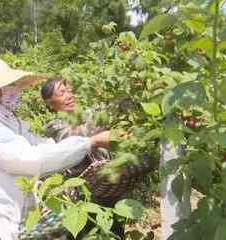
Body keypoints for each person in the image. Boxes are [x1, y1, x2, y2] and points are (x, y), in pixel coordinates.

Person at [0, 56, 112, 240]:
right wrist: (90, 142)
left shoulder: (9, 123)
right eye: (7, 86)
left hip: (17, 223)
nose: (15, 90)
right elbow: (34, 159)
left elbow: (44, 146)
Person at [40, 76, 157, 239]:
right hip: (85, 193)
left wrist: (129, 98)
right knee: (89, 231)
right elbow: (75, 137)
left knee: (114, 229)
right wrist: (107, 116)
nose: (68, 95)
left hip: (111, 186)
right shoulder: (54, 127)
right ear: (50, 103)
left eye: (69, 91)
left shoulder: (89, 113)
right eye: (61, 92)